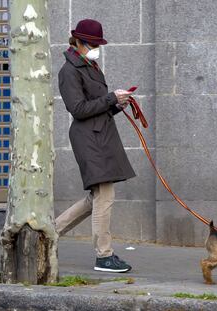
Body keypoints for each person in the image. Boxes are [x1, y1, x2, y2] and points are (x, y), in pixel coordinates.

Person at [56, 19, 136, 273]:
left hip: (100, 135)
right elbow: (78, 109)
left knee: (95, 198)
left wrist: (115, 105)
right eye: (92, 44)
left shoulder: (90, 65)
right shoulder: (69, 71)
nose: (96, 48)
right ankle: (104, 256)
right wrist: (110, 98)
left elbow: (96, 105)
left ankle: (46, 234)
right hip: (88, 139)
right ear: (77, 42)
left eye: (97, 44)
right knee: (105, 195)